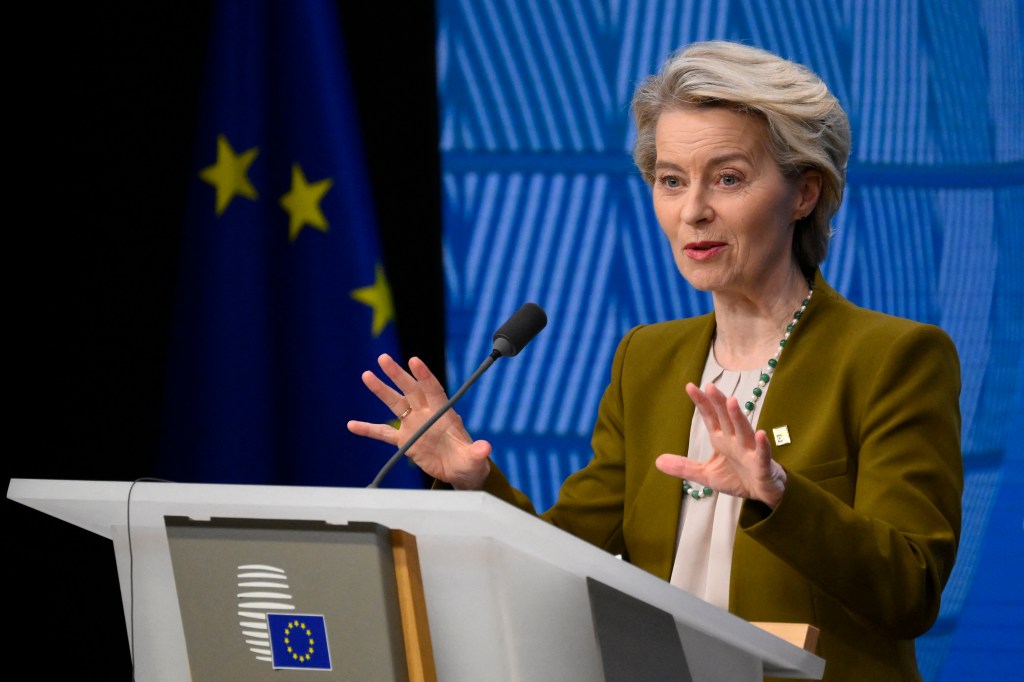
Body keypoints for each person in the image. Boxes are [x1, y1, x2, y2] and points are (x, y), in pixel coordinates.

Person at [347, 40, 962, 681]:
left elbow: (911, 590)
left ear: (804, 192)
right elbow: (564, 559)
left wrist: (781, 496)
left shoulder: (892, 358)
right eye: (671, 180)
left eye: (727, 178)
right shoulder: (648, 359)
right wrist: (474, 484)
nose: (693, 210)